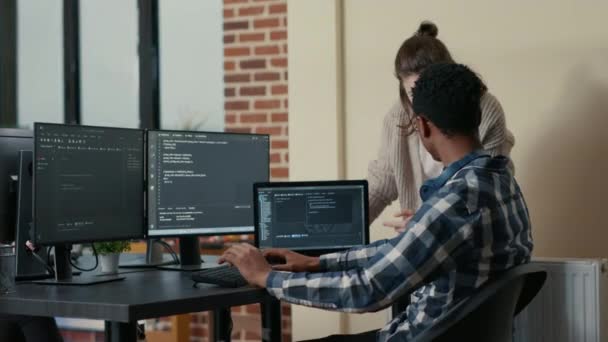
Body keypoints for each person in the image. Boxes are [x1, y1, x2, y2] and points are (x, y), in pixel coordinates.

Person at [219, 63, 533, 341]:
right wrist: (317, 262)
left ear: (422, 125)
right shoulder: (501, 182)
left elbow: (369, 289)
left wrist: (267, 277)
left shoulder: (455, 201)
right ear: (477, 117)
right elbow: (402, 250)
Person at [372, 21, 515, 233]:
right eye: (413, 93)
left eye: (427, 88)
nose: (422, 101)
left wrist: (425, 223)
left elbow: (484, 194)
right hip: (427, 236)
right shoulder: (398, 116)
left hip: (471, 235)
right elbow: (381, 184)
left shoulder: (485, 108)